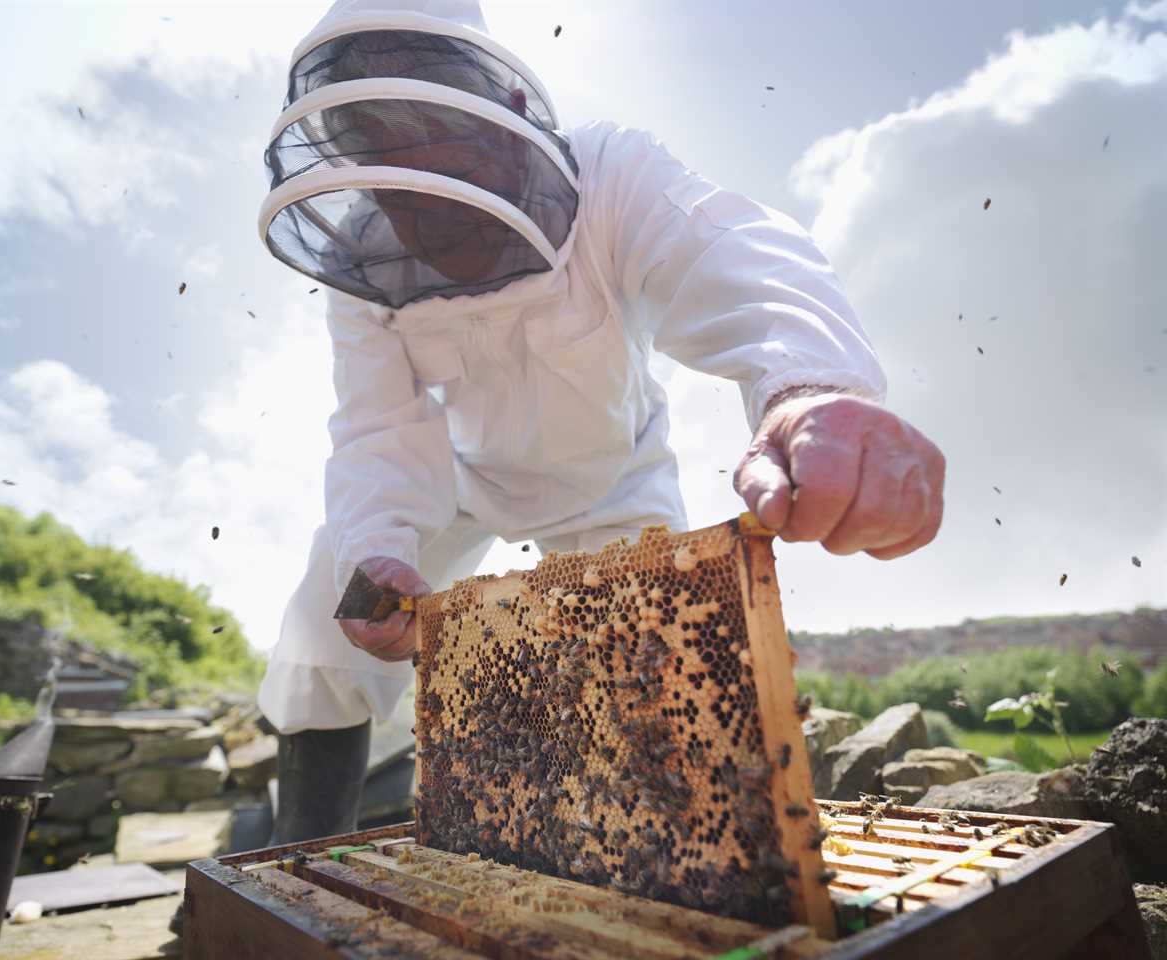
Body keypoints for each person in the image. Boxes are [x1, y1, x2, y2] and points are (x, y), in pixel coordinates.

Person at [254, 0, 946, 842]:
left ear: (504, 107)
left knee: (658, 673)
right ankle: (297, 867)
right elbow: (376, 427)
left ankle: (676, 855)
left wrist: (809, 387)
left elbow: (729, 251)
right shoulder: (360, 257)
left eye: (431, 135)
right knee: (323, 626)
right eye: (383, 154)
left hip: (612, 486)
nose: (426, 214)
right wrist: (378, 551)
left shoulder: (611, 172)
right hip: (460, 487)